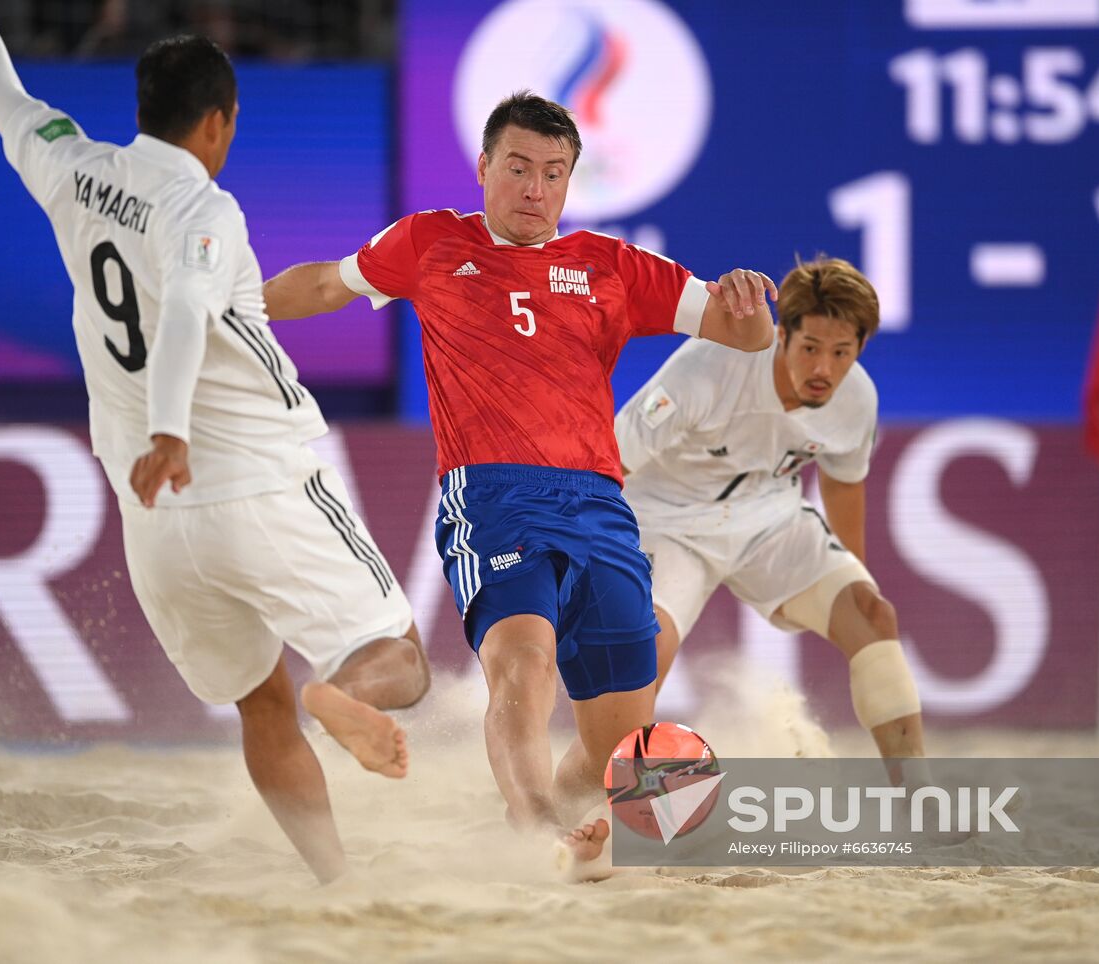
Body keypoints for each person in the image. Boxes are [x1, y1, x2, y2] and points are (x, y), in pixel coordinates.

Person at [0, 0, 427, 883]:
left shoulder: (73, 164)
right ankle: (345, 698)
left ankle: (337, 881)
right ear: (218, 122)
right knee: (395, 654)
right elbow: (181, 314)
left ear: (143, 108)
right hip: (251, 481)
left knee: (261, 704)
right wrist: (173, 430)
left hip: (155, 522)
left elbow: (2, 94)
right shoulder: (204, 208)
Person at [263, 91, 775, 836]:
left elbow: (751, 336)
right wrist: (234, 303)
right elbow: (320, 284)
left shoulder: (611, 266)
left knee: (616, 748)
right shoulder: (431, 243)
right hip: (494, 495)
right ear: (483, 168)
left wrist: (747, 297)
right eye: (518, 168)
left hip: (601, 505)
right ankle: (534, 816)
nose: (535, 189)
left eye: (554, 173)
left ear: (570, 182)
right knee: (522, 664)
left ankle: (560, 812)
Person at [564, 256, 927, 863]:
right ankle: (562, 802)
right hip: (665, 520)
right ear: (781, 332)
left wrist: (853, 573)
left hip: (768, 518)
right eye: (810, 347)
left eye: (843, 353)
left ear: (861, 348)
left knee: (872, 613)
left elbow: (842, 482)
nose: (824, 369)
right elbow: (610, 462)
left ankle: (919, 801)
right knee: (638, 666)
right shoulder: (708, 368)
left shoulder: (855, 398)